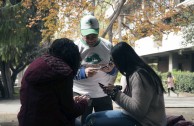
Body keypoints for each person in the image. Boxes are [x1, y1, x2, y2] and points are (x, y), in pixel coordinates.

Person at [85, 42, 167, 126]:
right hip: (131, 116)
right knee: (90, 117)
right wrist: (114, 91)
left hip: (146, 122)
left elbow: (138, 110)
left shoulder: (139, 75)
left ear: (122, 60)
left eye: (114, 61)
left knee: (93, 122)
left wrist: (115, 93)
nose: (115, 65)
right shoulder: (133, 73)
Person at [17, 38, 90, 126]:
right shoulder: (63, 71)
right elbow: (70, 111)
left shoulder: (37, 63)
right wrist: (84, 102)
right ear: (73, 57)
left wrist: (70, 100)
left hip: (26, 120)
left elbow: (43, 99)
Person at [73, 15, 118, 125]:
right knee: (81, 124)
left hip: (103, 93)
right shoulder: (74, 47)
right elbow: (67, 71)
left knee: (106, 123)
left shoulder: (108, 45)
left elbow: (116, 68)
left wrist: (111, 70)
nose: (90, 39)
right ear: (81, 33)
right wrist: (83, 73)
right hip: (80, 94)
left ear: (98, 31)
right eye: (87, 36)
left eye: (94, 36)